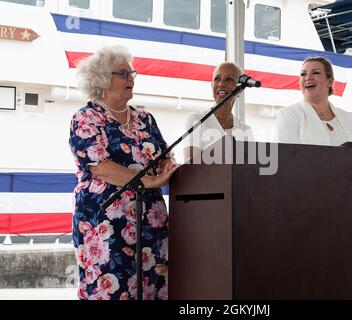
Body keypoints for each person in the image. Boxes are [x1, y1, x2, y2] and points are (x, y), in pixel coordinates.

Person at [68, 45, 179, 300]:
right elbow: (101, 167)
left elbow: (164, 157)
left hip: (150, 219)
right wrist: (151, 180)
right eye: (123, 74)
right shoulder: (86, 117)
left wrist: (165, 167)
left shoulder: (145, 119)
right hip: (106, 221)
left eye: (132, 74)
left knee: (152, 286)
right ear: (102, 79)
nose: (131, 78)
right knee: (113, 289)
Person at [276, 56, 352, 206]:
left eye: (315, 73)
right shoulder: (289, 114)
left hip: (346, 206)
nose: (308, 78)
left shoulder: (348, 118)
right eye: (303, 74)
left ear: (330, 81)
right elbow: (288, 163)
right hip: (305, 203)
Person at [184, 62, 253, 161]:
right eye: (217, 79)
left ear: (240, 90)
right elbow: (191, 165)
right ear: (212, 86)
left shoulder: (245, 130)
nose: (221, 84)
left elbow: (248, 169)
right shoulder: (196, 120)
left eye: (229, 79)